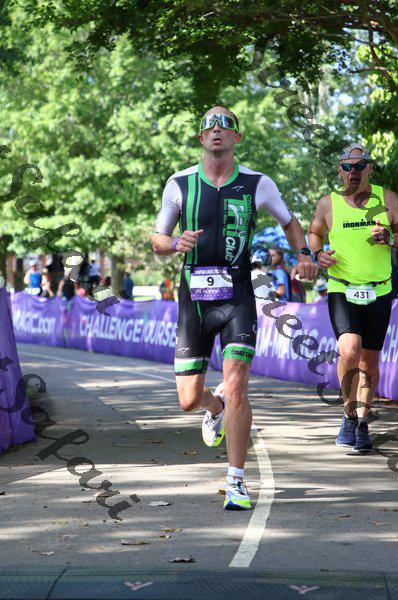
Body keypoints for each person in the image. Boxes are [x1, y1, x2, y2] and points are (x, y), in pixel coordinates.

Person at [152, 106, 317, 510]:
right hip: (194, 299)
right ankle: (215, 407)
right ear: (201, 138)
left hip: (238, 295)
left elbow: (289, 221)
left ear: (236, 137)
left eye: (226, 124)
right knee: (188, 399)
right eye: (209, 125)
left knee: (239, 382)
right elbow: (158, 239)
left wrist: (304, 254)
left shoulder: (257, 183)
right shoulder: (179, 184)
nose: (217, 129)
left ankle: (237, 481)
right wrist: (174, 244)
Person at [308, 142, 398, 452]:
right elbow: (314, 233)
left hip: (380, 288)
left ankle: (362, 422)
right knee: (349, 349)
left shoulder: (388, 199)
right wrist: (318, 253)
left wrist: (390, 237)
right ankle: (348, 414)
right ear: (340, 170)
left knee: (369, 361)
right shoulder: (328, 203)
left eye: (359, 166)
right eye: (348, 166)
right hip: (342, 286)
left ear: (369, 168)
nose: (353, 171)